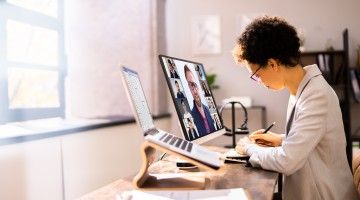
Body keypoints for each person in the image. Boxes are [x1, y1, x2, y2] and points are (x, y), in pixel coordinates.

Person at [233, 16, 358, 200]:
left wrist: (248, 148)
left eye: (257, 75)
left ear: (272, 64)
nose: (259, 82)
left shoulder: (316, 95)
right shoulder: (301, 89)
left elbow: (287, 161)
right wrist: (281, 139)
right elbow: (314, 138)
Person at [184, 64, 215, 136]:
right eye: (191, 85)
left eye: (195, 84)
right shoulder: (191, 116)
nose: (194, 90)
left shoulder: (208, 110)